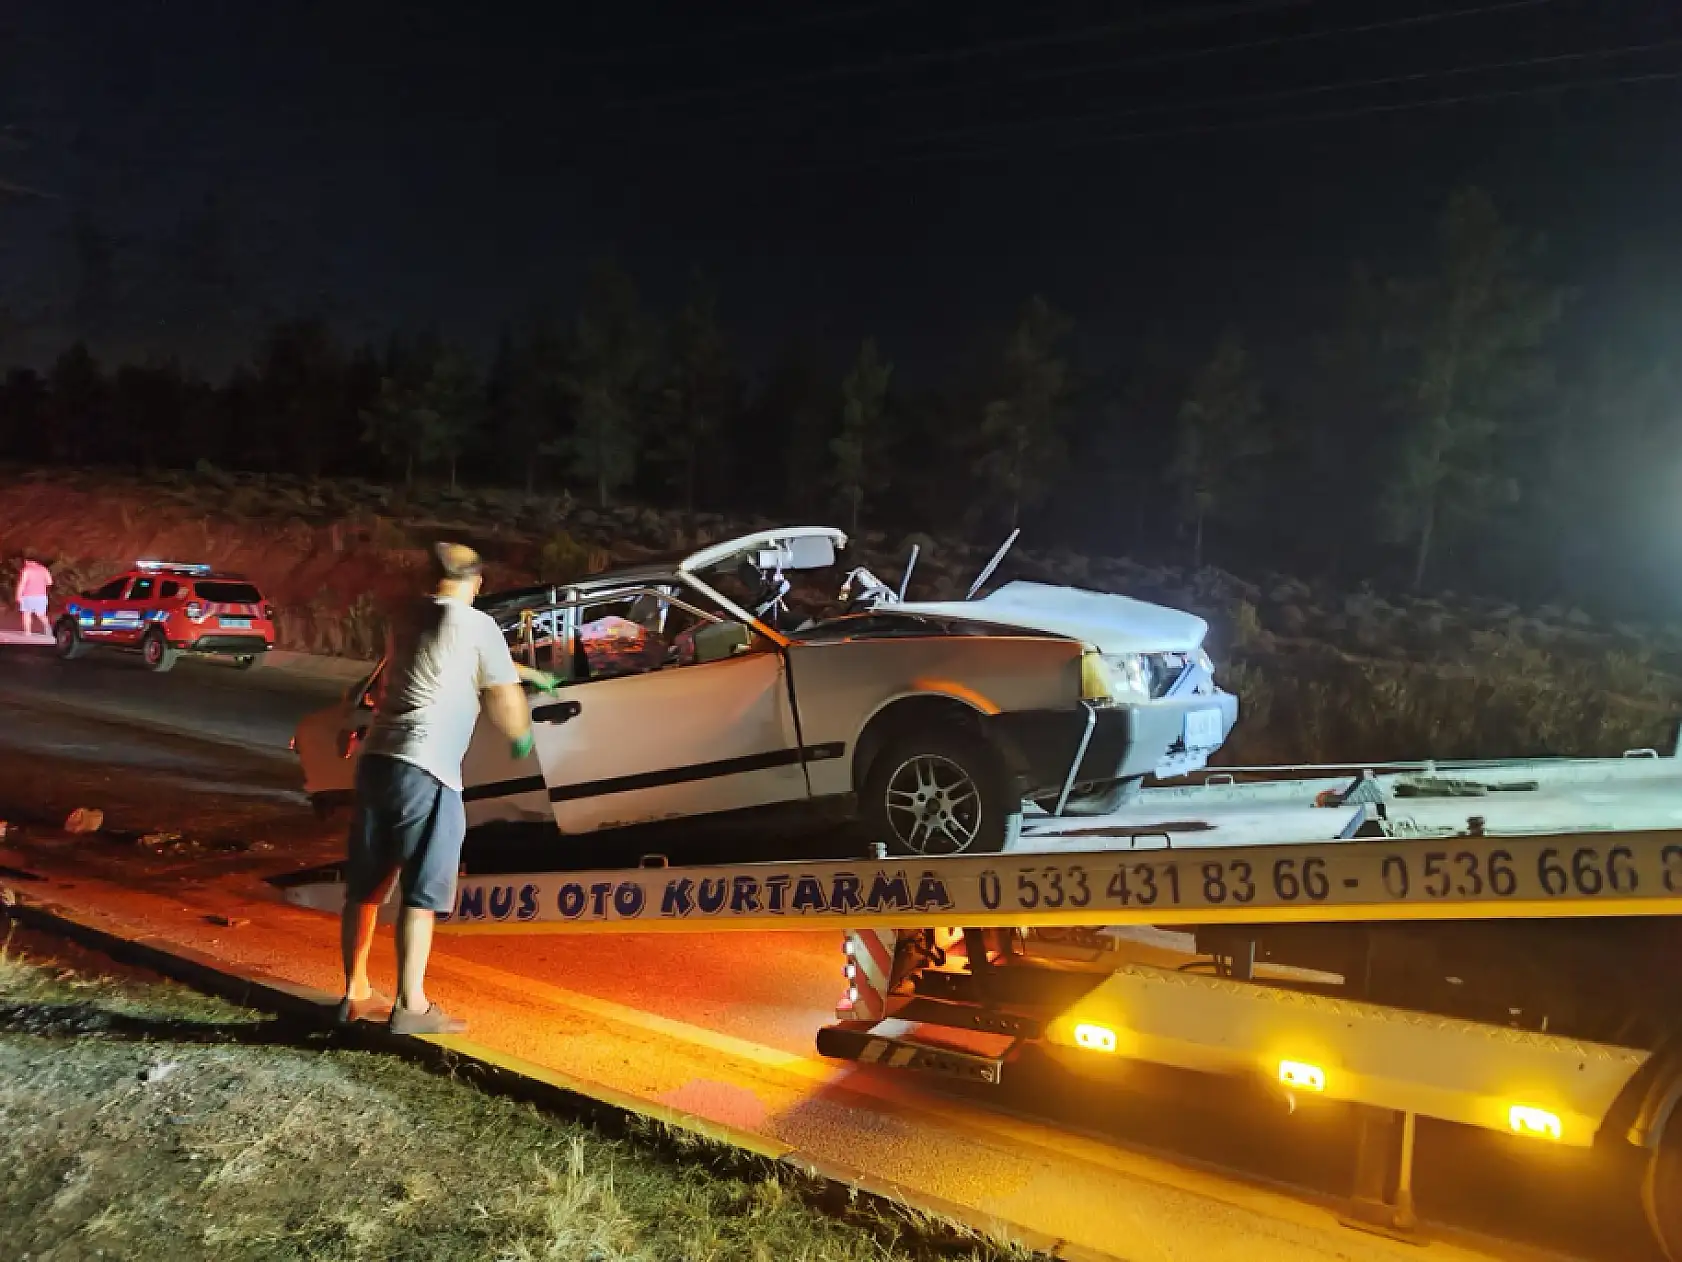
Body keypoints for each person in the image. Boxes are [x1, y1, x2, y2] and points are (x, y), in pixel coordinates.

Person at [336, 542, 553, 1035]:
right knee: (422, 890)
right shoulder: (478, 626)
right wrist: (521, 735)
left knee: (366, 888)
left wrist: (528, 670)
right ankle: (411, 1006)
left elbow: (452, 660)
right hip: (427, 768)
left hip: (378, 764)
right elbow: (501, 694)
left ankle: (354, 994)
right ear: (476, 582)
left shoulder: (407, 616)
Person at [14, 556, 52, 637]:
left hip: (28, 595)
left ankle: (28, 632)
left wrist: (18, 595)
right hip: (41, 596)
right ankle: (48, 628)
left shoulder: (27, 570)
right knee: (41, 614)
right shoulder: (43, 569)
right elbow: (50, 582)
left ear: (28, 561)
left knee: (27, 613)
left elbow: (22, 583)